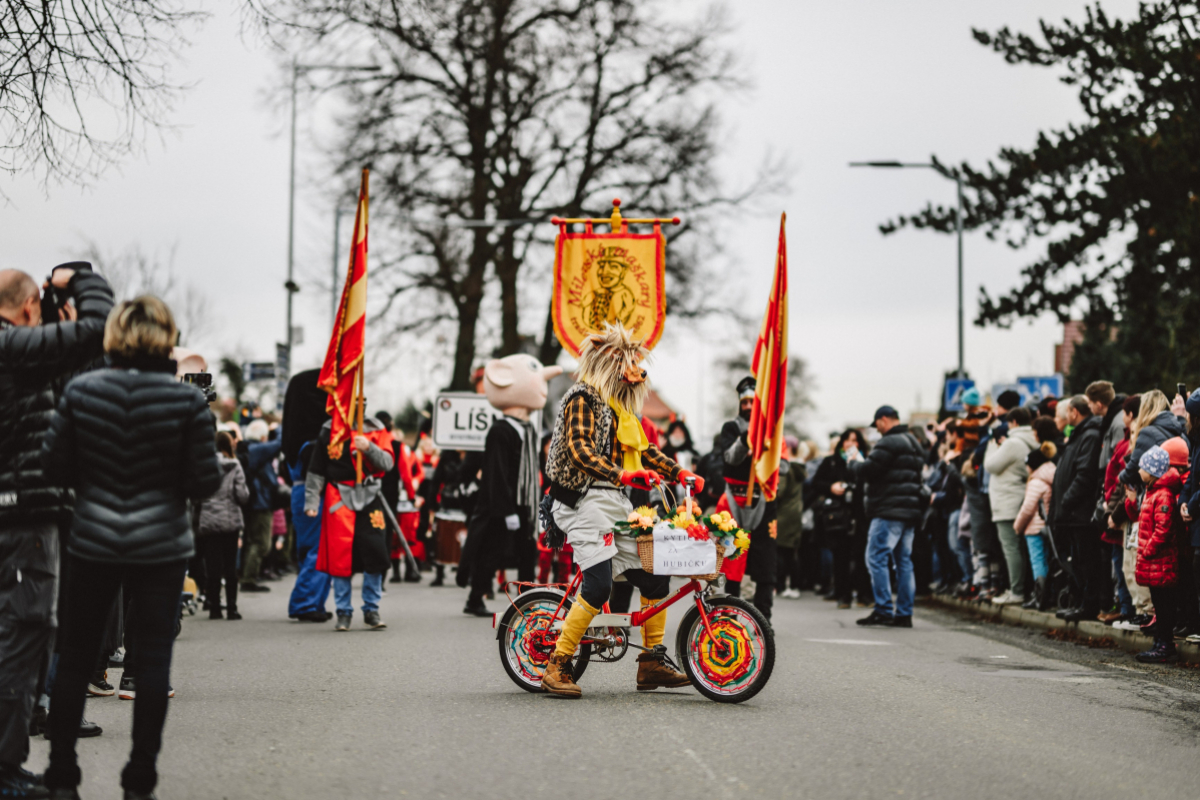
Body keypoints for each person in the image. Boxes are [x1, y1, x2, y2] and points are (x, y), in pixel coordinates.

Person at [41, 294, 221, 800]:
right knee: (154, 658)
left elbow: (55, 467)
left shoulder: (83, 390)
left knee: (77, 653)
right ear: (166, 338)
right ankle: (139, 778)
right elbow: (205, 480)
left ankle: (61, 774)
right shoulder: (185, 401)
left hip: (94, 536)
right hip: (160, 542)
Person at [0, 263, 114, 798]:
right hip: (21, 518)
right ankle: (5, 771)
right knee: (24, 636)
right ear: (28, 308)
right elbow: (99, 327)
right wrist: (79, 281)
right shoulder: (16, 348)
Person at [540, 323, 702, 698]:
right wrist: (624, 473)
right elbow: (580, 451)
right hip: (578, 501)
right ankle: (557, 664)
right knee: (598, 585)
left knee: (656, 571)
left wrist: (680, 472)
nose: (633, 376)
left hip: (610, 502)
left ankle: (651, 662)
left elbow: (645, 450)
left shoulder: (620, 411)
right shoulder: (582, 397)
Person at [305, 415, 395, 631]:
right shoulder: (329, 429)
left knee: (375, 552)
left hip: (370, 495)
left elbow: (388, 463)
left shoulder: (376, 428)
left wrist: (369, 448)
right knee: (340, 556)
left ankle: (371, 609)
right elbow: (316, 468)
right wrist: (312, 501)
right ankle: (343, 611)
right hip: (339, 496)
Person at [847, 406, 925, 628]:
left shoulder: (889, 442)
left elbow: (869, 470)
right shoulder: (913, 441)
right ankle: (904, 613)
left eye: (877, 425)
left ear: (882, 420)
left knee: (876, 557)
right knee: (903, 562)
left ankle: (882, 609)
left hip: (888, 509)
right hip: (909, 511)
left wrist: (853, 462)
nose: (878, 430)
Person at [715, 376, 779, 620]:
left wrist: (765, 452)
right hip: (734, 500)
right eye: (745, 402)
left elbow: (781, 468)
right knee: (731, 558)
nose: (749, 406)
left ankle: (764, 620)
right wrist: (745, 440)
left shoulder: (773, 429)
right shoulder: (731, 428)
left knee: (766, 561)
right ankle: (729, 615)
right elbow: (730, 458)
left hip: (764, 500)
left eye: (754, 401)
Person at [281, 369, 333, 623]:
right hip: (317, 493)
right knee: (320, 548)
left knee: (308, 549)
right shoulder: (314, 444)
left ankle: (314, 601)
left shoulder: (296, 442)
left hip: (301, 492)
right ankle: (305, 602)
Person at [1051, 396, 1106, 622]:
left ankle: (1089, 605)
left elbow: (1084, 475)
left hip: (1080, 513)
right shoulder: (1081, 434)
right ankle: (1083, 602)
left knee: (1087, 561)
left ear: (1074, 412)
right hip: (1073, 513)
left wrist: (1066, 500)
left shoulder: (1089, 435)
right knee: (1079, 561)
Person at [1129, 446, 1185, 662]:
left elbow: (1163, 529)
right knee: (1159, 604)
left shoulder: (1162, 495)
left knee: (1164, 605)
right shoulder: (1152, 492)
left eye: (1143, 467)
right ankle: (1161, 641)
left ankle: (1165, 644)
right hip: (1154, 562)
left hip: (1160, 561)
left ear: (1152, 471)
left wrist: (1148, 549)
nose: (1139, 470)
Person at [984, 408, 1038, 605]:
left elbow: (990, 466)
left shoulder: (1013, 443)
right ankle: (1019, 589)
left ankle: (1016, 591)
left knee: (1011, 548)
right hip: (1019, 498)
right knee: (1019, 549)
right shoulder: (1031, 440)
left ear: (1013, 422)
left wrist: (992, 445)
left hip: (1007, 502)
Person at [811, 429, 870, 608]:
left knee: (861, 556)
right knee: (841, 556)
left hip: (859, 513)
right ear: (842, 443)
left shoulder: (865, 461)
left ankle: (863, 595)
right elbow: (815, 483)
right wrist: (831, 487)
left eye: (855, 440)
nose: (851, 444)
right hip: (837, 514)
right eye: (847, 440)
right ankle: (843, 595)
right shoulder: (831, 462)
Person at [196, 432, 249, 620]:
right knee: (230, 566)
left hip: (209, 520)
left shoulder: (205, 466)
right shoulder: (235, 465)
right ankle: (232, 609)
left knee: (212, 566)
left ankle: (214, 608)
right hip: (230, 521)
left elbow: (198, 492)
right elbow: (242, 495)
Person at [240, 420, 282, 593]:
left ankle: (247, 577)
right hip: (260, 503)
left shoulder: (247, 448)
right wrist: (278, 428)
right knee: (261, 543)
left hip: (252, 502)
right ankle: (249, 579)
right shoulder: (257, 449)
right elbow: (280, 443)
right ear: (263, 437)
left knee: (252, 541)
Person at [1014, 441, 1057, 610]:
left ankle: (1040, 596)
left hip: (1033, 528)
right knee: (1046, 561)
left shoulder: (1036, 482)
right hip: (1046, 527)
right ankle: (1047, 594)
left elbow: (1027, 509)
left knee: (1037, 561)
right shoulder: (1049, 477)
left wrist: (1018, 526)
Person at [773, 438, 805, 599]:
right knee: (792, 552)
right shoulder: (800, 467)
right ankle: (794, 585)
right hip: (795, 513)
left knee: (781, 551)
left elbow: (780, 491)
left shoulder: (786, 468)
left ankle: (780, 586)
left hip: (783, 513)